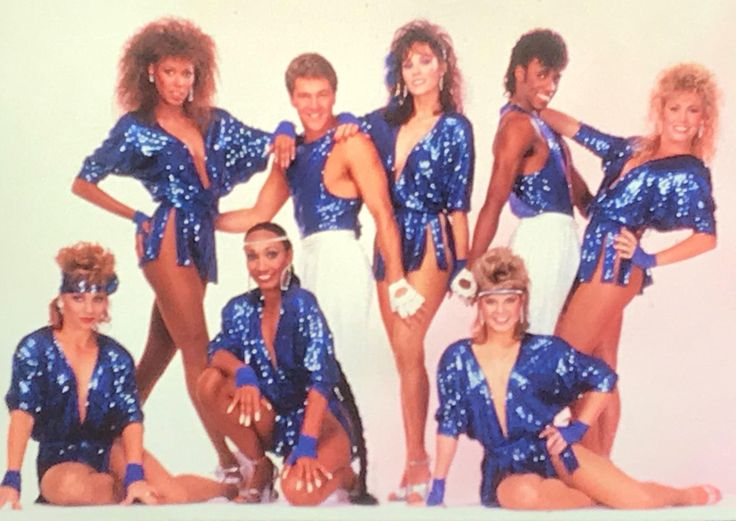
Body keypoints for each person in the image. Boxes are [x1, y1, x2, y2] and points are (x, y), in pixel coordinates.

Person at [71, 17, 291, 482]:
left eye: (186, 73)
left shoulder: (213, 122)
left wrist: (289, 125)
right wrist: (136, 216)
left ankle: (102, 442)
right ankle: (236, 463)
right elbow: (83, 181)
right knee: (199, 350)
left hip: (202, 241)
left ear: (198, 74)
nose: (178, 82)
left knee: (158, 352)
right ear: (151, 71)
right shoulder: (138, 128)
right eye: (169, 72)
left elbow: (271, 144)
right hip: (167, 235)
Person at [426, 247, 720, 509]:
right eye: (492, 302)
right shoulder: (457, 359)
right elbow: (449, 424)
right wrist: (438, 485)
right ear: (479, 304)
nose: (501, 311)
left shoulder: (546, 351)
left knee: (638, 500)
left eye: (509, 301)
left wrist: (577, 429)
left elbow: (603, 379)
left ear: (522, 302)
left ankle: (685, 495)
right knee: (524, 496)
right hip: (507, 470)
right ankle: (593, 497)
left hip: (554, 450)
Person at [216, 53, 423, 411]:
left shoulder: (351, 143)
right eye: (305, 96)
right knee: (308, 360)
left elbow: (383, 213)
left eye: (322, 94)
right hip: (305, 262)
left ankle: (358, 449)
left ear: (334, 94)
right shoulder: (290, 152)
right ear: (293, 99)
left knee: (344, 359)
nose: (314, 105)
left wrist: (398, 280)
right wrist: (202, 219)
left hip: (341, 259)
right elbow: (259, 213)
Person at [540, 62, 719, 455]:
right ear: (661, 108)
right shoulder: (635, 148)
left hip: (614, 266)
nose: (683, 119)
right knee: (600, 369)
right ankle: (600, 463)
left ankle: (589, 463)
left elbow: (707, 237)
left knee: (564, 359)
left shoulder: (688, 173)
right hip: (592, 265)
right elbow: (575, 128)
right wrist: (530, 110)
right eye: (675, 108)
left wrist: (648, 258)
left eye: (693, 111)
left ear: (705, 118)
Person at [0, 242, 232, 509]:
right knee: (71, 490)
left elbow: (130, 418)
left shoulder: (116, 356)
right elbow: (22, 414)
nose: (88, 309)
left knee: (173, 494)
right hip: (59, 458)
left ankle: (232, 487)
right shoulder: (34, 349)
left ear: (105, 303)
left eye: (97, 299)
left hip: (112, 449)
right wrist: (11, 478)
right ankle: (127, 491)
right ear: (62, 299)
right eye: (78, 298)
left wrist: (134, 472)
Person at [349, 20, 474, 503]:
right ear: (399, 70)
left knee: (408, 339)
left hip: (432, 238)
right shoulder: (383, 121)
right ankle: (415, 459)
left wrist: (463, 265)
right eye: (409, 62)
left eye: (426, 61)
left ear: (443, 68)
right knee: (405, 357)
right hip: (389, 242)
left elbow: (459, 204)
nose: (417, 70)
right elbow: (343, 129)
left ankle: (420, 460)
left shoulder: (456, 128)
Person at [196, 223, 375, 505]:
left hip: (319, 424)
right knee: (210, 382)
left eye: (271, 254)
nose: (261, 265)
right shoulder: (238, 308)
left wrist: (307, 443)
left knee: (299, 494)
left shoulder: (303, 305)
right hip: (274, 420)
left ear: (288, 256)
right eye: (252, 257)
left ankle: (345, 478)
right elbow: (217, 350)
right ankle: (260, 467)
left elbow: (321, 379)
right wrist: (243, 373)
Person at [455, 29, 591, 335]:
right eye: (542, 74)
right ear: (520, 72)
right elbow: (493, 201)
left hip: (563, 240)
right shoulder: (517, 126)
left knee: (558, 339)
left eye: (556, 78)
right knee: (533, 336)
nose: (550, 86)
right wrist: (470, 267)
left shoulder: (544, 124)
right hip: (542, 241)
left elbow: (582, 196)